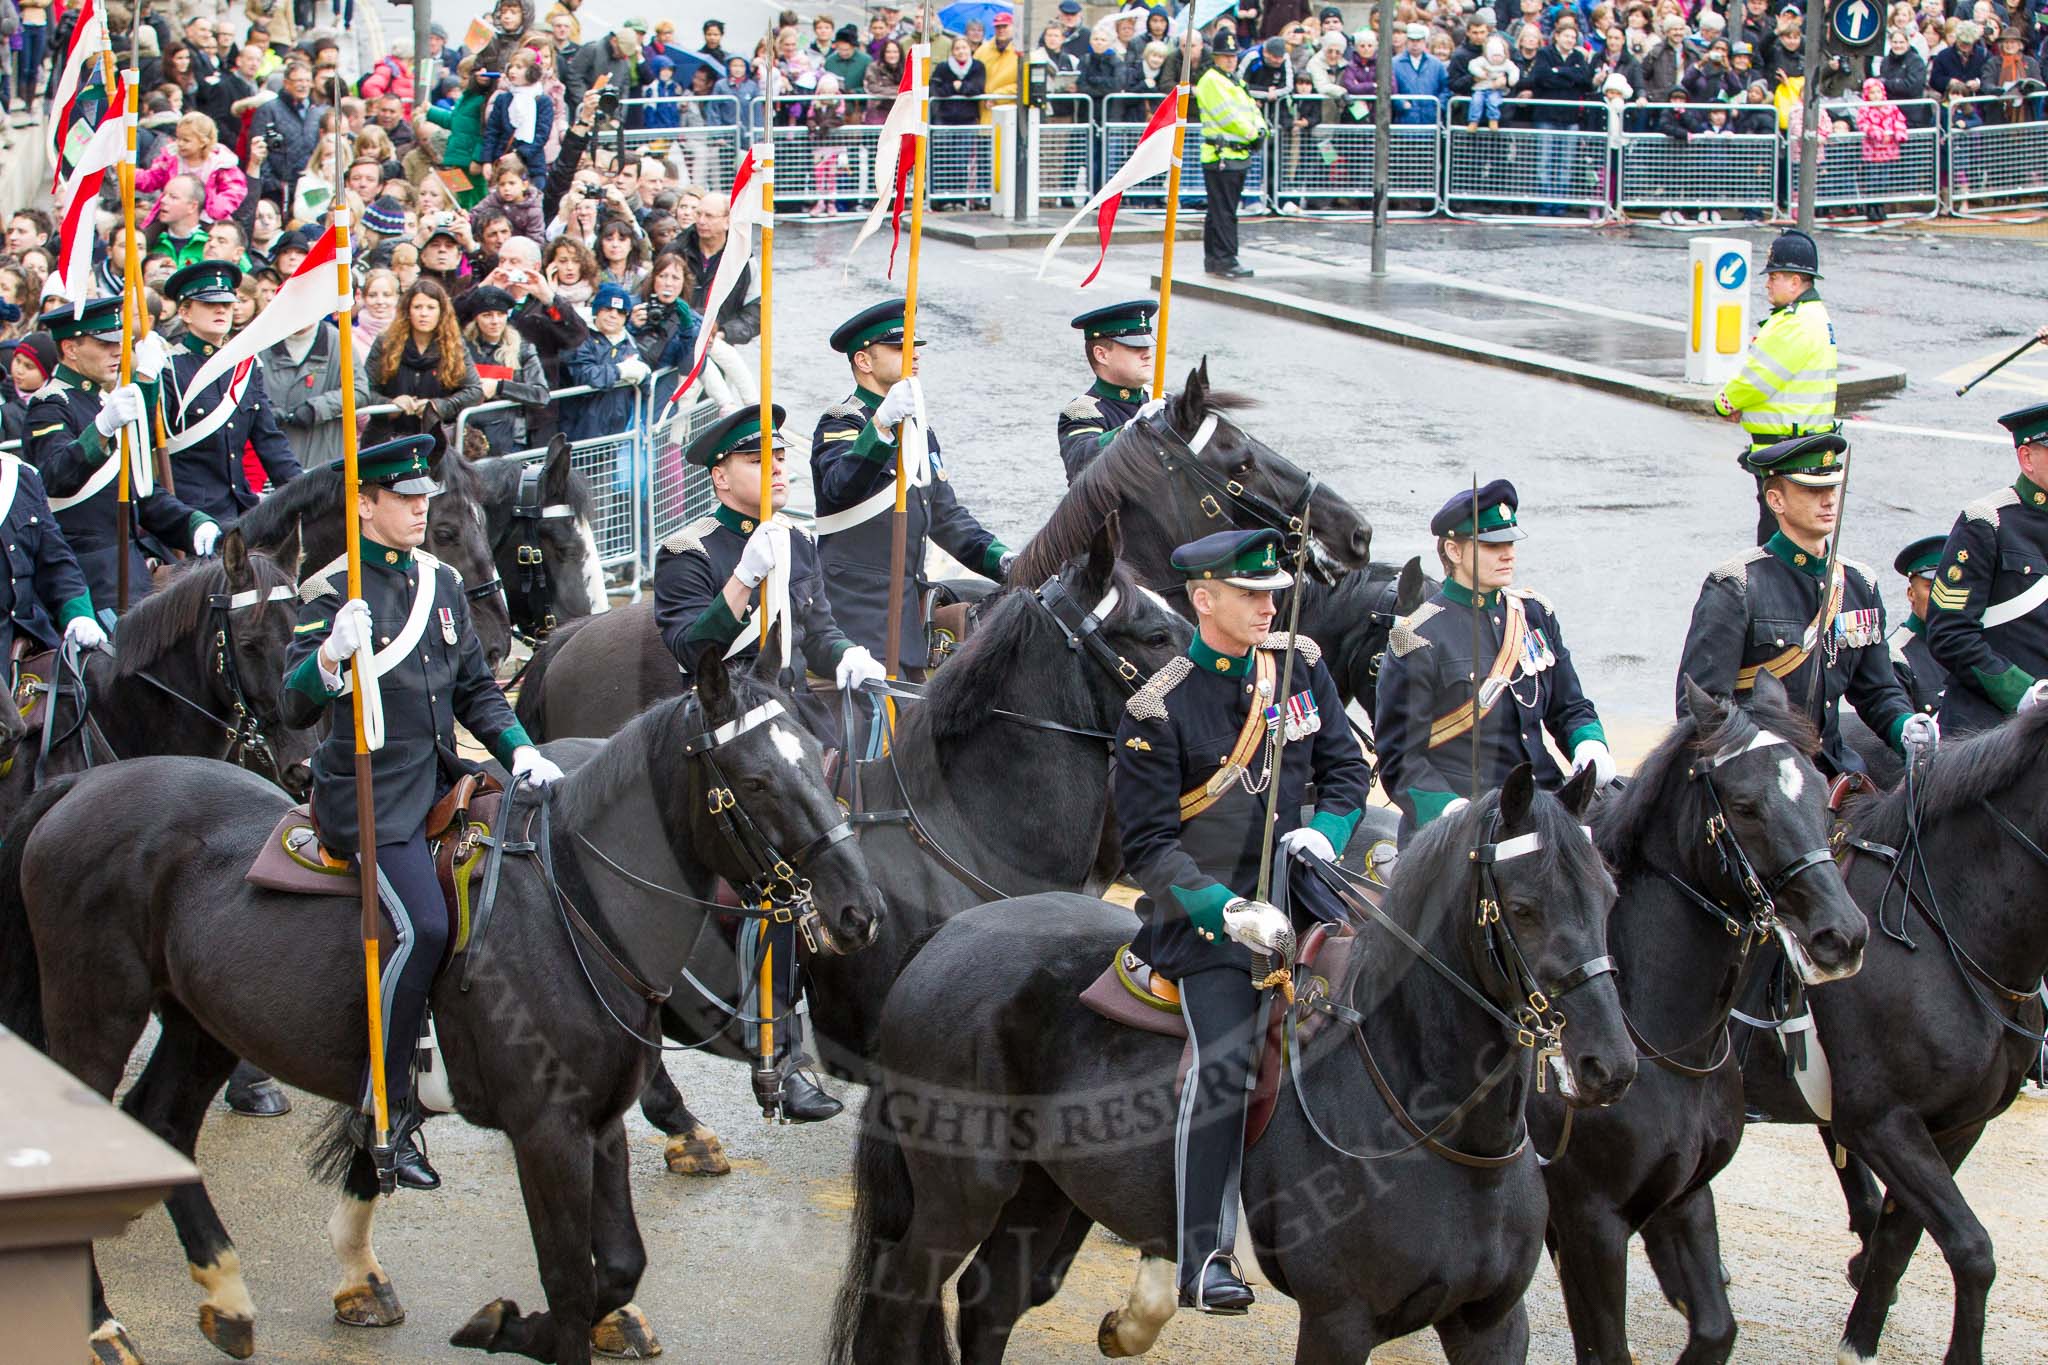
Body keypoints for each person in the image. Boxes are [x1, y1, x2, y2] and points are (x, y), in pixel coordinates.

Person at [282, 436, 562, 1188]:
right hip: (371, 795)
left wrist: (519, 749)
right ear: (363, 504)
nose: (418, 507)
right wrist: (330, 658)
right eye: (402, 497)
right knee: (424, 924)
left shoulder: (439, 580)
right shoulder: (330, 589)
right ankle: (388, 1106)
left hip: (443, 778)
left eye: (422, 496)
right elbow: (292, 700)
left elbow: (474, 686)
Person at [1113, 526, 1370, 1314]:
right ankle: (1204, 1255)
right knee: (1224, 1062)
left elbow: (1347, 772)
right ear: (1203, 599)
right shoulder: (1156, 706)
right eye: (1252, 593)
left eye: (1271, 592)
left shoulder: (1301, 665)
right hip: (1207, 930)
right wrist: (1226, 911)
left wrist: (1325, 833)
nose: (1269, 604)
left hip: (1305, 897)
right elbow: (1148, 847)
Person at [651, 405, 886, 1119]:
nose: (779, 466)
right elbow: (690, 649)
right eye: (760, 459)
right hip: (719, 732)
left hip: (788, 722)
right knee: (778, 879)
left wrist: (843, 652)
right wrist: (740, 584)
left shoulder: (796, 538)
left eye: (780, 456)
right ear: (722, 476)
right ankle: (774, 1053)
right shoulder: (686, 552)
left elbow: (816, 625)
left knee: (860, 831)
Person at [1374, 480, 1612, 839]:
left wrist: (1588, 743)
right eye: (1492, 545)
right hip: (1466, 822)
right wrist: (1449, 810)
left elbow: (1570, 706)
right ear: (1454, 551)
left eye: (1510, 543)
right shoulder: (1417, 636)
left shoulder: (1535, 614)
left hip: (1544, 805)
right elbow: (1401, 760)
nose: (1508, 554)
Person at [1676, 434, 1923, 775]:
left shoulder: (1859, 583)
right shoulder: (1736, 584)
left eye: (1832, 489)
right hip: (1758, 781)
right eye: (1812, 491)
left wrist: (1906, 727)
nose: (1828, 501)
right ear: (1776, 500)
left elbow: (1877, 690)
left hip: (1833, 771)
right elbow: (1702, 706)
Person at [811, 300, 1012, 677]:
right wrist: (881, 426)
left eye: (914, 347)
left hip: (905, 613)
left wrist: (1002, 560)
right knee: (875, 726)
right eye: (898, 348)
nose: (914, 355)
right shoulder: (844, 421)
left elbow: (946, 517)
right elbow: (839, 487)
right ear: (864, 362)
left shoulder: (919, 430)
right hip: (856, 612)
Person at [23, 297, 219, 609]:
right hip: (90, 576)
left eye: (120, 342)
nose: (117, 351)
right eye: (104, 344)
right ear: (71, 349)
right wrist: (101, 429)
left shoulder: (105, 402)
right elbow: (54, 478)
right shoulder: (50, 404)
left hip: (139, 565)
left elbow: (142, 494)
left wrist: (194, 525)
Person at [1923, 401, 2048, 735]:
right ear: (2027, 458)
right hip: (1992, 729)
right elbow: (1950, 633)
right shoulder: (1987, 522)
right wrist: (2024, 693)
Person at [1714, 229, 1838, 543]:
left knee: (1776, 543)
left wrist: (1725, 402)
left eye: (1775, 276)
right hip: (1799, 446)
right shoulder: (1812, 316)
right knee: (1800, 537)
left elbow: (1757, 381)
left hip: (1784, 451)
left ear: (1795, 281)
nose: (1768, 283)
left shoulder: (1793, 323)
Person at [156, 262, 301, 521]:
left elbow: (269, 441)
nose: (222, 309)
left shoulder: (244, 368)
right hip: (189, 517)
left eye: (226, 302)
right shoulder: (168, 369)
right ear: (185, 312)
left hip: (239, 508)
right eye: (209, 304)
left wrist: (304, 491)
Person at [359, 280, 484, 453]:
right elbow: (363, 390)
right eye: (417, 307)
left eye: (431, 308)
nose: (423, 314)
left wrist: (438, 406)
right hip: (387, 441)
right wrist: (390, 404)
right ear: (408, 311)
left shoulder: (455, 345)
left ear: (441, 312)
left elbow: (474, 391)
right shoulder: (385, 343)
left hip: (437, 442)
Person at [1058, 299, 1159, 482]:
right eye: (1134, 347)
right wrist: (1134, 429)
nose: (1147, 354)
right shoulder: (1082, 412)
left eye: (1147, 345)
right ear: (1102, 355)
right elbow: (1081, 462)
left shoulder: (1161, 400)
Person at [1195, 32, 1266, 279]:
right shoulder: (1212, 80)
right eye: (1225, 56)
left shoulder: (1233, 80)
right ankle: (1225, 258)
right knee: (1224, 211)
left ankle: (1215, 258)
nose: (1230, 60)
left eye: (1233, 56)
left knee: (1219, 210)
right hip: (1222, 153)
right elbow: (1228, 117)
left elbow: (1250, 109)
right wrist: (1252, 134)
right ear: (1215, 56)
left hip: (1234, 153)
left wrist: (1261, 129)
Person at [1889, 534, 1949, 716]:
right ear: (1911, 593)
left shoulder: (1978, 647)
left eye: (1950, 586)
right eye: (1930, 587)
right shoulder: (1896, 656)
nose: (1941, 596)